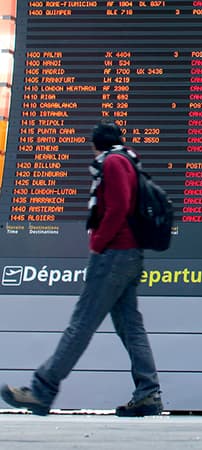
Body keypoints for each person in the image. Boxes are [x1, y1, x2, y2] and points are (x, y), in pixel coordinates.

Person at [1, 121, 162, 417]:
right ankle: (148, 393)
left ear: (94, 144)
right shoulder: (127, 160)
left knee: (82, 323)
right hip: (129, 254)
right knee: (131, 327)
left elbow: (118, 207)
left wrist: (97, 243)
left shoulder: (112, 162)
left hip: (113, 254)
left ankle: (42, 389)